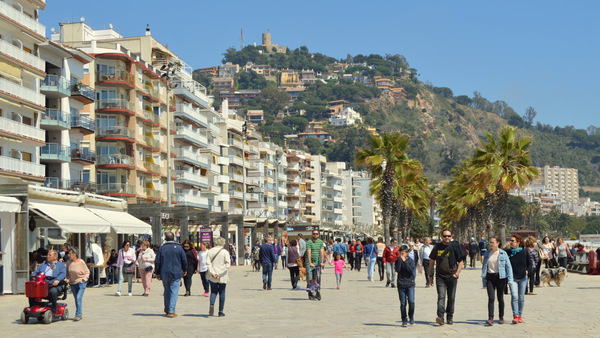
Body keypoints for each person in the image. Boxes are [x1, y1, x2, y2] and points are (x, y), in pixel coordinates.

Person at [428, 229, 466, 326]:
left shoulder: (455, 247)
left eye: (449, 236)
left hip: (452, 276)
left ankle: (450, 317)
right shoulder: (437, 247)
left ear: (451, 237)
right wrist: (430, 275)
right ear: (441, 237)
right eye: (445, 236)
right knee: (441, 296)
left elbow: (461, 261)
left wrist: (457, 273)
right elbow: (432, 261)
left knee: (451, 298)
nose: (447, 238)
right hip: (440, 276)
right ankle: (440, 317)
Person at [481, 236, 513, 326]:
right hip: (490, 277)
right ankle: (490, 318)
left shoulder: (503, 253)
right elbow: (484, 266)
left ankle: (501, 316)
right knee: (491, 298)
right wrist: (483, 277)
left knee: (500, 298)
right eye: (490, 242)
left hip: (501, 277)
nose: (491, 244)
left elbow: (508, 267)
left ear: (498, 243)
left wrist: (510, 279)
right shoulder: (487, 253)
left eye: (492, 242)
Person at [155, 231, 187, 318]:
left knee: (167, 290)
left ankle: (167, 308)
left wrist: (157, 272)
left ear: (165, 239)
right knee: (174, 291)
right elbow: (184, 260)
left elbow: (157, 261)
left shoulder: (161, 248)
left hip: (164, 272)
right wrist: (184, 270)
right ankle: (171, 310)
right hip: (176, 272)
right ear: (174, 238)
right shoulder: (179, 248)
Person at [507, 234, 532, 324]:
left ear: (518, 242)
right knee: (514, 296)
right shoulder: (508, 252)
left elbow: (530, 263)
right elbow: (505, 264)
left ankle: (520, 315)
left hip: (523, 278)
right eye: (510, 240)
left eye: (512, 241)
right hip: (512, 277)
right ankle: (515, 315)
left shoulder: (525, 252)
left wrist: (527, 271)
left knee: (521, 297)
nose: (511, 242)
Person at [206, 237, 230, 317]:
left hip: (212, 275)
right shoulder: (225, 252)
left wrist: (213, 273)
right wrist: (219, 273)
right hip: (222, 275)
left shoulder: (210, 251)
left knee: (213, 291)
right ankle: (220, 311)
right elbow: (227, 264)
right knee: (222, 292)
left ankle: (212, 305)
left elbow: (208, 264)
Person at [65, 247, 89, 321]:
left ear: (75, 254)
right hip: (72, 282)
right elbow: (67, 273)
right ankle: (79, 312)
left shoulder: (81, 262)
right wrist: (67, 279)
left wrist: (84, 279)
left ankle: (77, 314)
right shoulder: (68, 262)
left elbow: (87, 271)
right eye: (68, 253)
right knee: (76, 299)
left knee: (79, 297)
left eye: (70, 253)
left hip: (81, 282)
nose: (69, 255)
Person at [395, 244, 416, 327]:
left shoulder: (411, 261)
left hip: (410, 283)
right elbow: (397, 269)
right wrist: (400, 261)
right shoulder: (398, 260)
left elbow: (411, 271)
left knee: (411, 302)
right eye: (400, 253)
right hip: (401, 284)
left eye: (403, 253)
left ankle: (411, 316)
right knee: (403, 303)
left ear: (407, 253)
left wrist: (405, 262)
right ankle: (404, 319)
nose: (401, 255)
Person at [306, 229, 326, 298]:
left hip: (317, 262)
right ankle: (308, 285)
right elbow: (309, 252)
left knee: (315, 277)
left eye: (317, 234)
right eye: (314, 233)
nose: (315, 235)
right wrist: (310, 262)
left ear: (319, 235)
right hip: (310, 261)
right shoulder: (309, 242)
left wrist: (322, 262)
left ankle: (313, 291)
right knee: (309, 275)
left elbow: (322, 252)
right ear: (312, 234)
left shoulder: (320, 242)